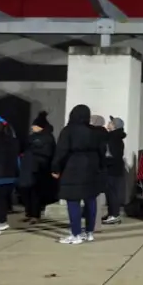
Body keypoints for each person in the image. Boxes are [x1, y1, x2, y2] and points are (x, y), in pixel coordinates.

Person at [53, 105, 106, 245]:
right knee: (91, 200)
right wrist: (100, 167)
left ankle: (76, 233)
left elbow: (61, 151)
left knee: (73, 201)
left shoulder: (68, 131)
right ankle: (89, 232)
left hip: (74, 167)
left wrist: (56, 168)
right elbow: (102, 151)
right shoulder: (96, 132)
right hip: (92, 167)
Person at [18, 111, 57, 224]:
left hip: (39, 170)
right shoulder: (32, 137)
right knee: (27, 192)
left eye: (34, 125)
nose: (32, 127)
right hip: (28, 169)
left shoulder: (47, 138)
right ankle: (29, 213)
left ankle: (35, 215)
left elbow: (48, 153)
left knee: (36, 193)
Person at [102, 116, 126, 225]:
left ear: (114, 126)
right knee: (112, 193)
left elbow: (111, 155)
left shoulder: (112, 138)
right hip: (116, 169)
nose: (108, 123)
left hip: (112, 169)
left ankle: (114, 215)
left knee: (112, 193)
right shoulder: (116, 137)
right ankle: (112, 213)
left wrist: (105, 162)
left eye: (110, 122)